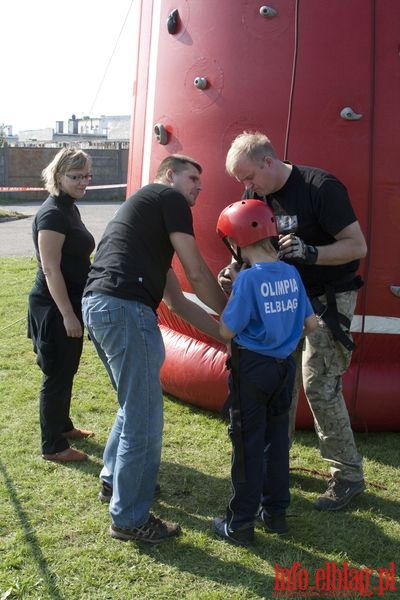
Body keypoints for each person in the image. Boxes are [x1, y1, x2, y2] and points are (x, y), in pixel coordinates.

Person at [82, 154, 227, 545]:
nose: (198, 186)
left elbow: (178, 302)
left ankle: (114, 483)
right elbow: (196, 271)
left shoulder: (146, 221)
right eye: (193, 177)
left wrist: (224, 336)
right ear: (169, 175)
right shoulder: (168, 198)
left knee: (133, 407)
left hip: (101, 306)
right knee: (144, 418)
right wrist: (235, 316)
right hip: (125, 310)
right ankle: (129, 518)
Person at [220, 131, 368, 511]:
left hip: (326, 298)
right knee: (279, 378)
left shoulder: (321, 187)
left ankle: (347, 475)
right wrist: (237, 270)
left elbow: (357, 246)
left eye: (249, 177)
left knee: (319, 384)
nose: (246, 188)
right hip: (283, 298)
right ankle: (275, 461)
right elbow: (256, 245)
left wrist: (312, 252)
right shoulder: (258, 196)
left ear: (269, 161)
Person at [212, 199, 316, 545]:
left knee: (247, 445)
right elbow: (311, 324)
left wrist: (236, 289)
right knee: (276, 443)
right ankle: (276, 514)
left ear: (236, 242)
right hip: (284, 368)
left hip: (252, 370)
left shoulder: (249, 280)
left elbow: (227, 331)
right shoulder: (291, 272)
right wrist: (282, 335)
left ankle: (240, 523)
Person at [28, 148, 96, 462]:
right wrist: (68, 314)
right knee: (56, 373)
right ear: (58, 176)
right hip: (55, 306)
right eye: (76, 176)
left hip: (70, 302)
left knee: (67, 367)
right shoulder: (53, 212)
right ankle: (53, 446)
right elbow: (50, 268)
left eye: (86, 176)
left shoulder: (69, 207)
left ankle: (63, 426)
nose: (83, 181)